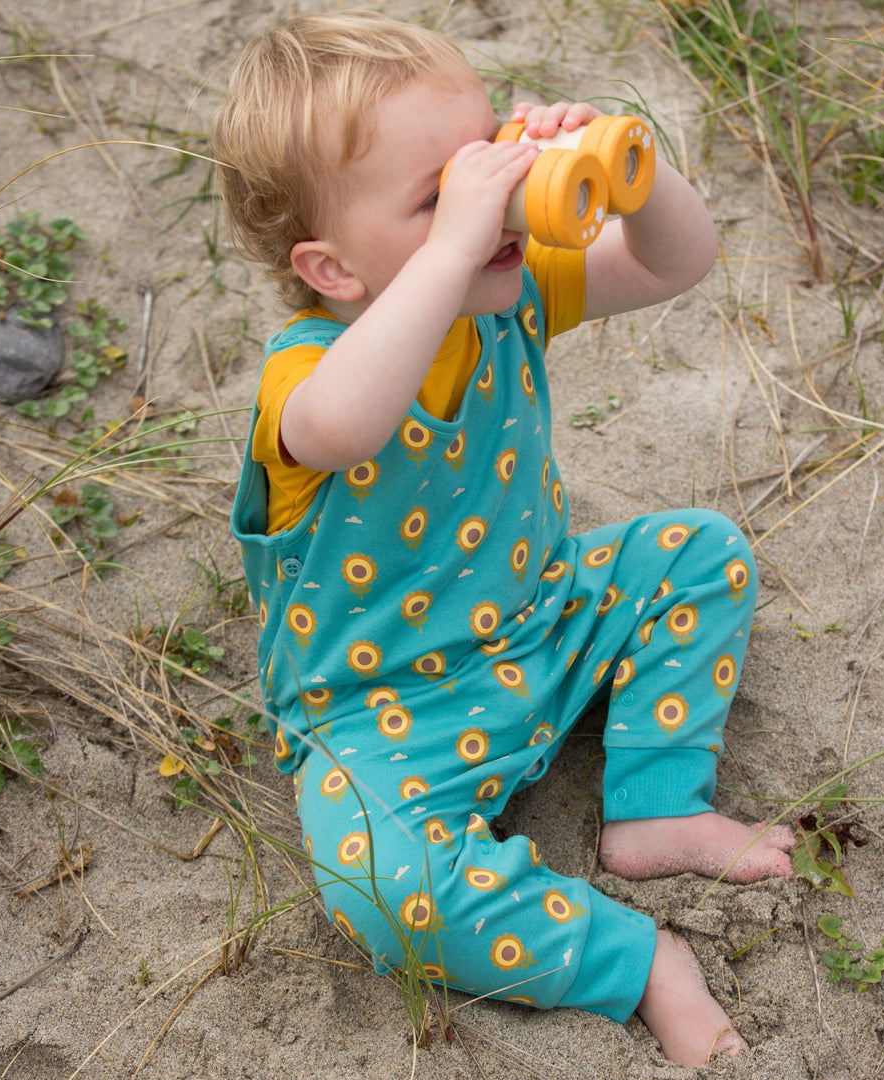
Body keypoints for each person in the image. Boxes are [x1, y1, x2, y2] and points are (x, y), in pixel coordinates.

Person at [213, 11, 794, 1067]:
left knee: (701, 551)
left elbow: (678, 264)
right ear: (333, 269)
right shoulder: (308, 381)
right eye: (440, 193)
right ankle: (641, 962)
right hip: (389, 722)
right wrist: (454, 248)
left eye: (491, 148)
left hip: (546, 620)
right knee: (383, 892)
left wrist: (632, 174)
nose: (494, 194)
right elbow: (347, 427)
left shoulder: (506, 290)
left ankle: (657, 808)